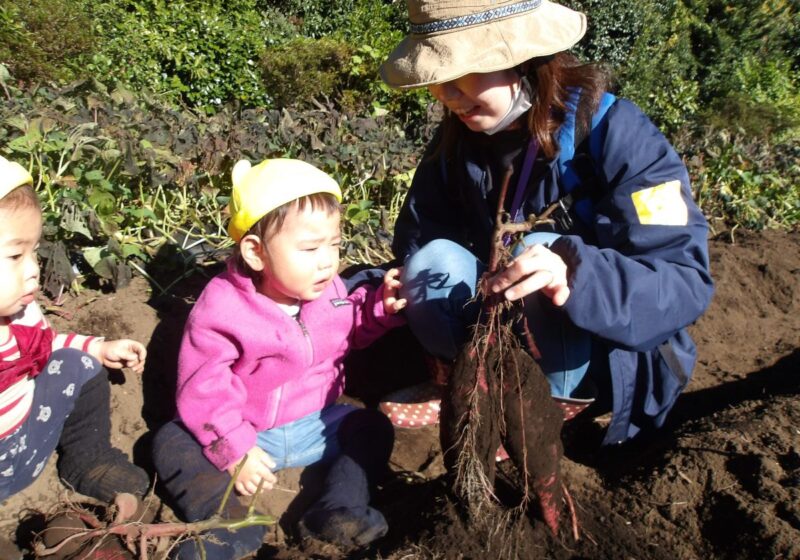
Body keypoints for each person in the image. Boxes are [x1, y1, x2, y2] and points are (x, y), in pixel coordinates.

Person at [378, 0, 713, 482]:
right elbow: (420, 234)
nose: (446, 94)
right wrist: (400, 279)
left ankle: (548, 416)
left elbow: (684, 283)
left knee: (541, 249)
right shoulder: (455, 141)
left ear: (525, 59)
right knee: (432, 260)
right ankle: (469, 391)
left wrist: (575, 275)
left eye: (466, 71)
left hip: (603, 353)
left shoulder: (617, 135)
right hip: (491, 341)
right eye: (438, 75)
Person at [152, 158, 406, 560]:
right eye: (310, 248)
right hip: (248, 431)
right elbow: (203, 386)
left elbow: (350, 327)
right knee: (171, 440)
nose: (327, 260)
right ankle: (228, 524)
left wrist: (379, 309)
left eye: (335, 244)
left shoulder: (328, 287)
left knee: (372, 427)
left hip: (316, 425)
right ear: (256, 252)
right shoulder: (221, 310)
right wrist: (235, 449)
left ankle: (338, 510)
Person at [0, 155, 150, 503]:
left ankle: (87, 459)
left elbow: (43, 344)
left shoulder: (21, 310)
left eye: (33, 252)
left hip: (28, 446)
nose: (34, 270)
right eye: (13, 257)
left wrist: (97, 349)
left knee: (79, 365)